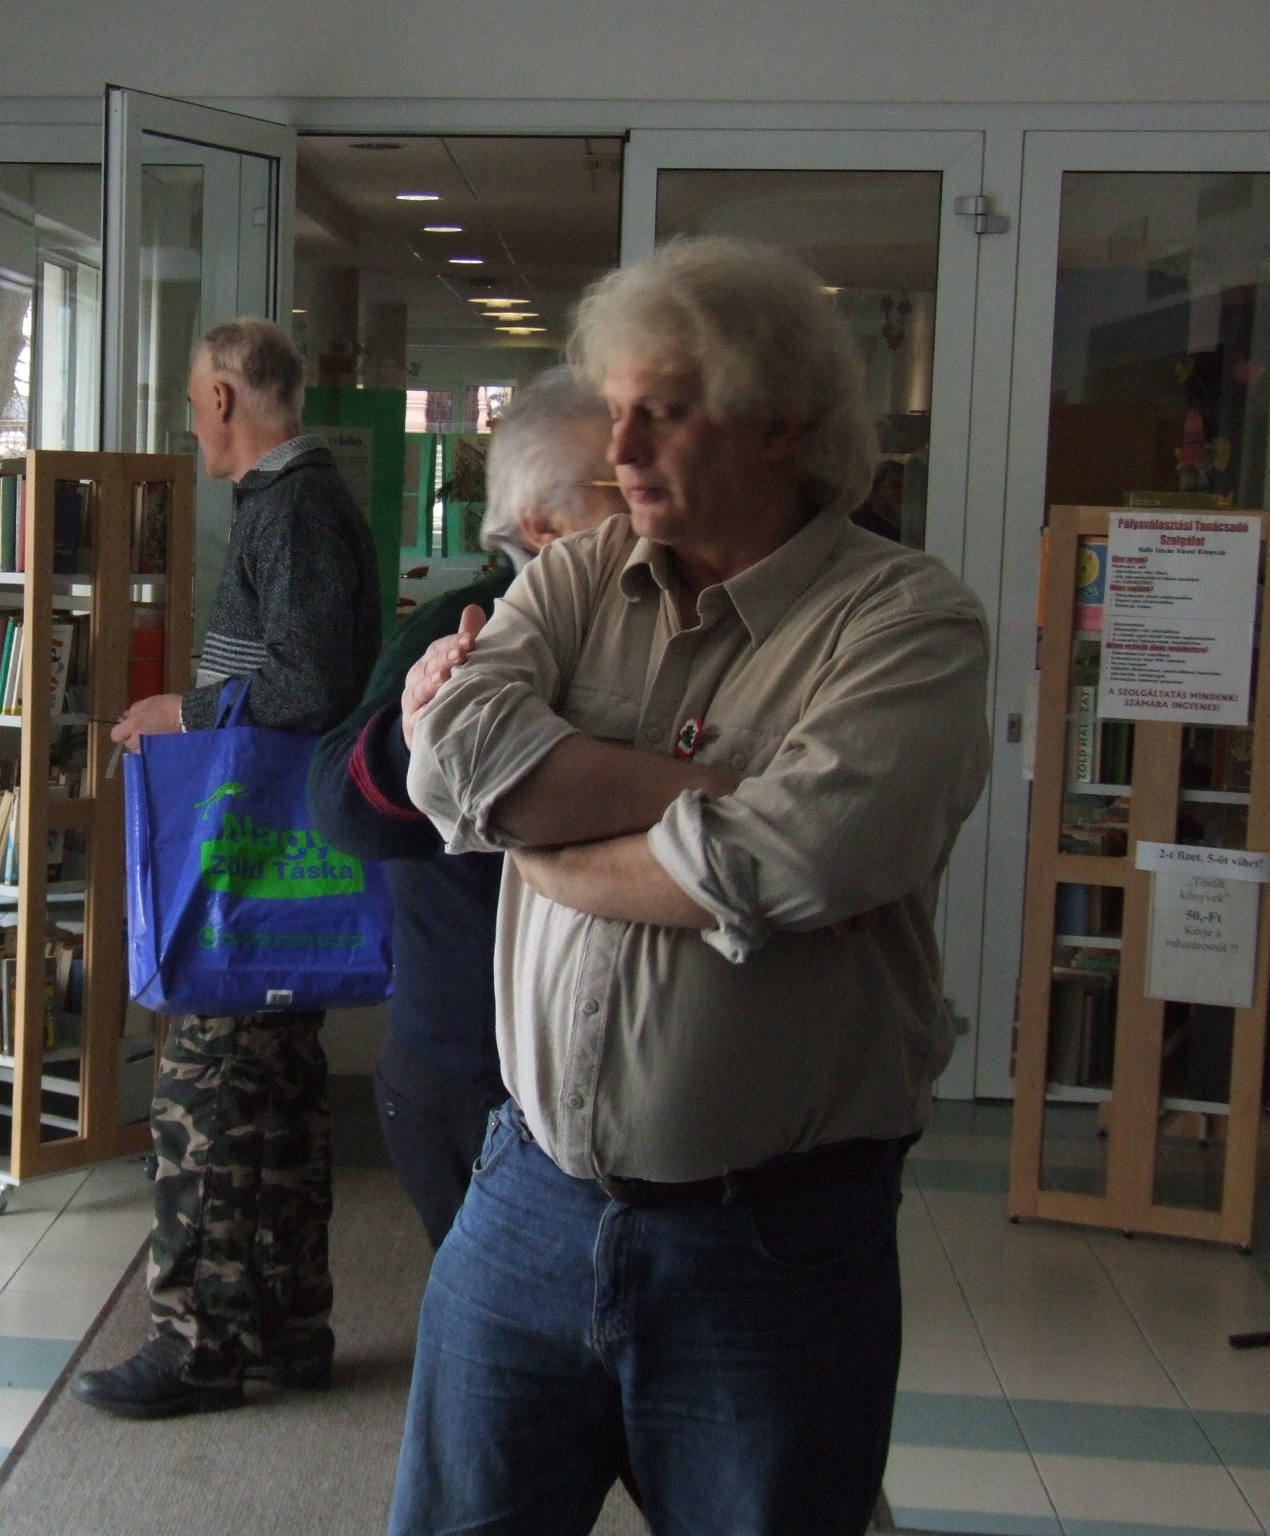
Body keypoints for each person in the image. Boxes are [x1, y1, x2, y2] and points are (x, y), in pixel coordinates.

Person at [393, 238, 991, 1535]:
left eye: (664, 412)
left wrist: (538, 838)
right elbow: (450, 765)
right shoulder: (576, 574)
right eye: (616, 410)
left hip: (773, 1250)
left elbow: (790, 861)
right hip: (526, 1201)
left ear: (780, 422)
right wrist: (712, 792)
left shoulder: (907, 624)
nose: (620, 448)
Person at [75, 316, 379, 1420]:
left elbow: (307, 687)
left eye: (191, 402)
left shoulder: (292, 508)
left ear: (219, 400)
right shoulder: (301, 504)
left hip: (250, 869)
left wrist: (180, 712)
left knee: (202, 1097)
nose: (189, 422)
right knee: (277, 1100)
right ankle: (287, 1328)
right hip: (278, 859)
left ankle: (195, 1346)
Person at [306, 367, 623, 1249]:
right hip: (469, 1075)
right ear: (542, 523)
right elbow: (339, 808)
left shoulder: (653, 631)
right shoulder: (464, 624)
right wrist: (419, 734)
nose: (656, 496)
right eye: (622, 483)